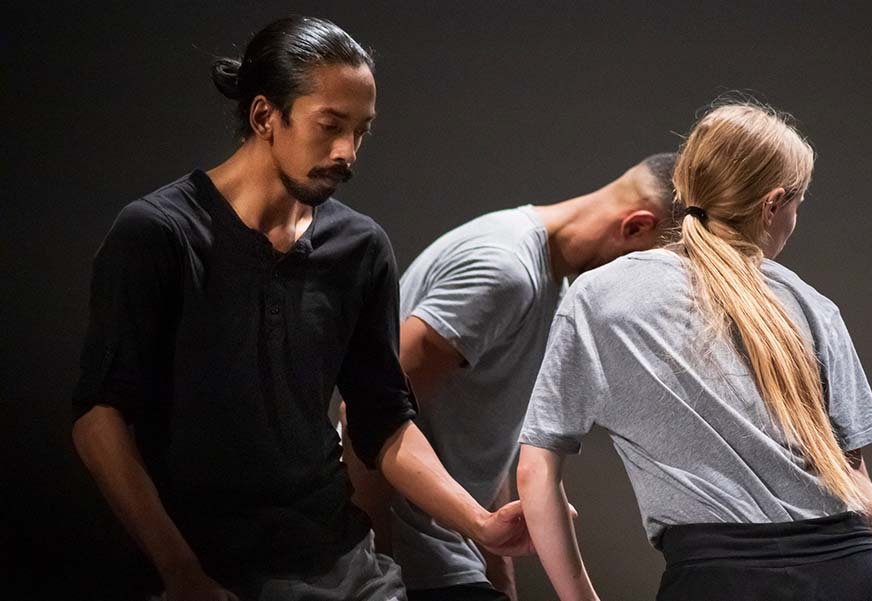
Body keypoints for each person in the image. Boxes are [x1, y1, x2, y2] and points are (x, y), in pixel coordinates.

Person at [71, 16, 531, 601]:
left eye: (361, 131)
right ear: (265, 116)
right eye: (330, 126)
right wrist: (179, 569)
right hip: (207, 567)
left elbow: (383, 419)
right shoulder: (159, 233)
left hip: (339, 562)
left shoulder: (360, 248)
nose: (348, 153)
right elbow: (98, 416)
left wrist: (482, 523)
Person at [515, 103, 872, 601]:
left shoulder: (603, 297)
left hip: (720, 582)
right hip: (850, 576)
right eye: (799, 205)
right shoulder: (810, 306)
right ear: (773, 203)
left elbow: (536, 469)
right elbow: (860, 497)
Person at [342, 154, 677, 601]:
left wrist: (501, 581)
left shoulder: (548, 286)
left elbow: (486, 442)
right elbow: (364, 412)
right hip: (408, 569)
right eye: (653, 269)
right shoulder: (506, 272)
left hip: (448, 561)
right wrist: (372, 578)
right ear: (636, 226)